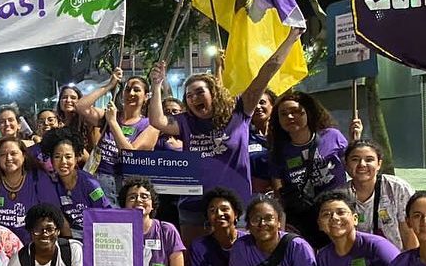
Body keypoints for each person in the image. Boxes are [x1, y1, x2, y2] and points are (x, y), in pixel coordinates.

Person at [148, 27, 302, 245]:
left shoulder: (239, 111)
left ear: (213, 91)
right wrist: (155, 86)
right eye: (189, 95)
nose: (193, 98)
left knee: (237, 265)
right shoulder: (186, 122)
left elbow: (266, 72)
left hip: (236, 207)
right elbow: (157, 121)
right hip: (194, 207)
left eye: (200, 92)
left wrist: (291, 38)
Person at [269, 91, 348, 249]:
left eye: (296, 111)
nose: (290, 117)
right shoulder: (278, 152)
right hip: (303, 221)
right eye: (283, 114)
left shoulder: (332, 136)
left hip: (336, 213)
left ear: (308, 113)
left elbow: (352, 167)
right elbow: (278, 190)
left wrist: (356, 139)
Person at [94, 72, 160, 201]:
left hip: (125, 183)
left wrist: (113, 123)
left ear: (146, 96)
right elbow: (81, 106)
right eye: (128, 89)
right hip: (100, 178)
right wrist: (109, 85)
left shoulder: (150, 125)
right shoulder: (110, 114)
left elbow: (129, 153)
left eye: (136, 90)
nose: (131, 94)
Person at [343, 139, 419, 251]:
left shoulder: (397, 188)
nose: (362, 164)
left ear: (379, 164)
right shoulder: (340, 195)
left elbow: (409, 233)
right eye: (355, 159)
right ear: (346, 164)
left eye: (369, 160)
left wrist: (409, 265)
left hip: (398, 257)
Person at [35, 127, 111, 237]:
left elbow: (105, 213)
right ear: (51, 160)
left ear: (76, 158)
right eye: (57, 157)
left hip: (96, 235)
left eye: (68, 156)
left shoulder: (90, 183)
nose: (63, 162)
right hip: (68, 236)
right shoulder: (50, 183)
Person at [0, 137, 41, 244]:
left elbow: (52, 213)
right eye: (3, 155)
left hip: (32, 247)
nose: (8, 158)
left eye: (13, 153)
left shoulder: (38, 178)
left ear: (24, 155)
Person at [248, 90, 276, 194]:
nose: (258, 107)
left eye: (262, 102)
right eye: (254, 103)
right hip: (254, 196)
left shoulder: (285, 133)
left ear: (273, 106)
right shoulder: (243, 136)